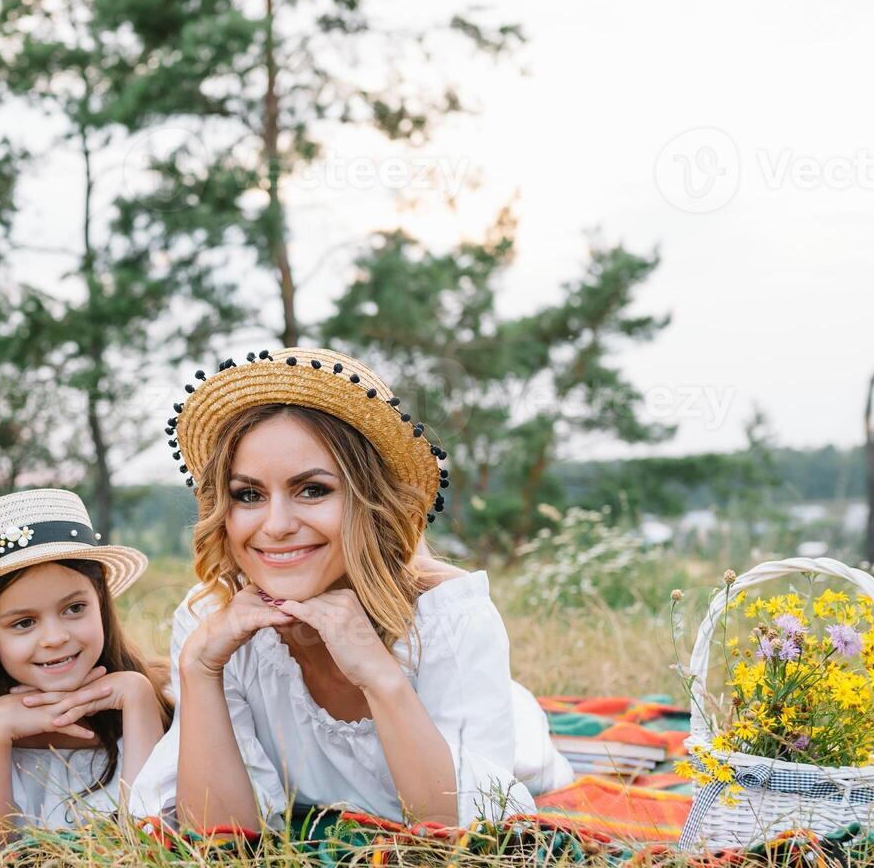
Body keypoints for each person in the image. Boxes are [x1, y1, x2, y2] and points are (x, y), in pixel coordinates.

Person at [130, 348, 572, 832]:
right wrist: (200, 669)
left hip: (496, 730)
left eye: (312, 489)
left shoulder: (449, 616)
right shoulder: (209, 618)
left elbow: (453, 832)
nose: (275, 526)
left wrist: (379, 675)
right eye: (249, 495)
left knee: (522, 734)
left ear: (367, 500)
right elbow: (219, 837)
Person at [0, 489, 171, 852]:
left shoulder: (157, 694)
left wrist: (139, 700)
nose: (55, 638)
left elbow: (150, 838)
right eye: (24, 623)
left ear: (100, 604)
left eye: (74, 609)